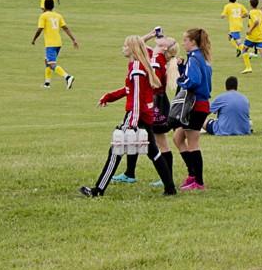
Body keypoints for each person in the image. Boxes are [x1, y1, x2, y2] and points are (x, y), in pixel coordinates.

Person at [79, 36, 177, 197]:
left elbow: (137, 96)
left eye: (125, 46)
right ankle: (170, 188)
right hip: (143, 115)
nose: (122, 48)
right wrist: (109, 97)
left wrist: (131, 122)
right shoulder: (137, 66)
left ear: (132, 48)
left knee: (116, 150)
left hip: (135, 114)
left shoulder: (137, 68)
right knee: (154, 152)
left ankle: (98, 190)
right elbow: (129, 90)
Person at [173, 28, 213, 191]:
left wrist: (181, 80)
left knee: (193, 142)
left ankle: (198, 181)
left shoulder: (195, 58)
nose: (183, 43)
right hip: (201, 103)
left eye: (185, 40)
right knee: (177, 138)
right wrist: (183, 68)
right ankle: (192, 174)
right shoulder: (201, 58)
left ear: (193, 42)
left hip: (196, 104)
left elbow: (194, 80)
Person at [31, 0, 78, 89]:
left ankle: (68, 77)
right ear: (53, 6)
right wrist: (73, 39)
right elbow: (65, 28)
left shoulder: (43, 16)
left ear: (44, 6)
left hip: (50, 44)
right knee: (47, 61)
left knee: (52, 64)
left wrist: (34, 39)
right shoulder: (58, 16)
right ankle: (47, 83)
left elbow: (40, 29)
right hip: (58, 43)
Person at [241, 0, 262, 76]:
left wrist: (250, 30)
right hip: (261, 35)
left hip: (252, 36)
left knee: (244, 50)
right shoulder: (261, 12)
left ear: (250, 4)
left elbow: (256, 21)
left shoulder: (252, 12)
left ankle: (248, 67)